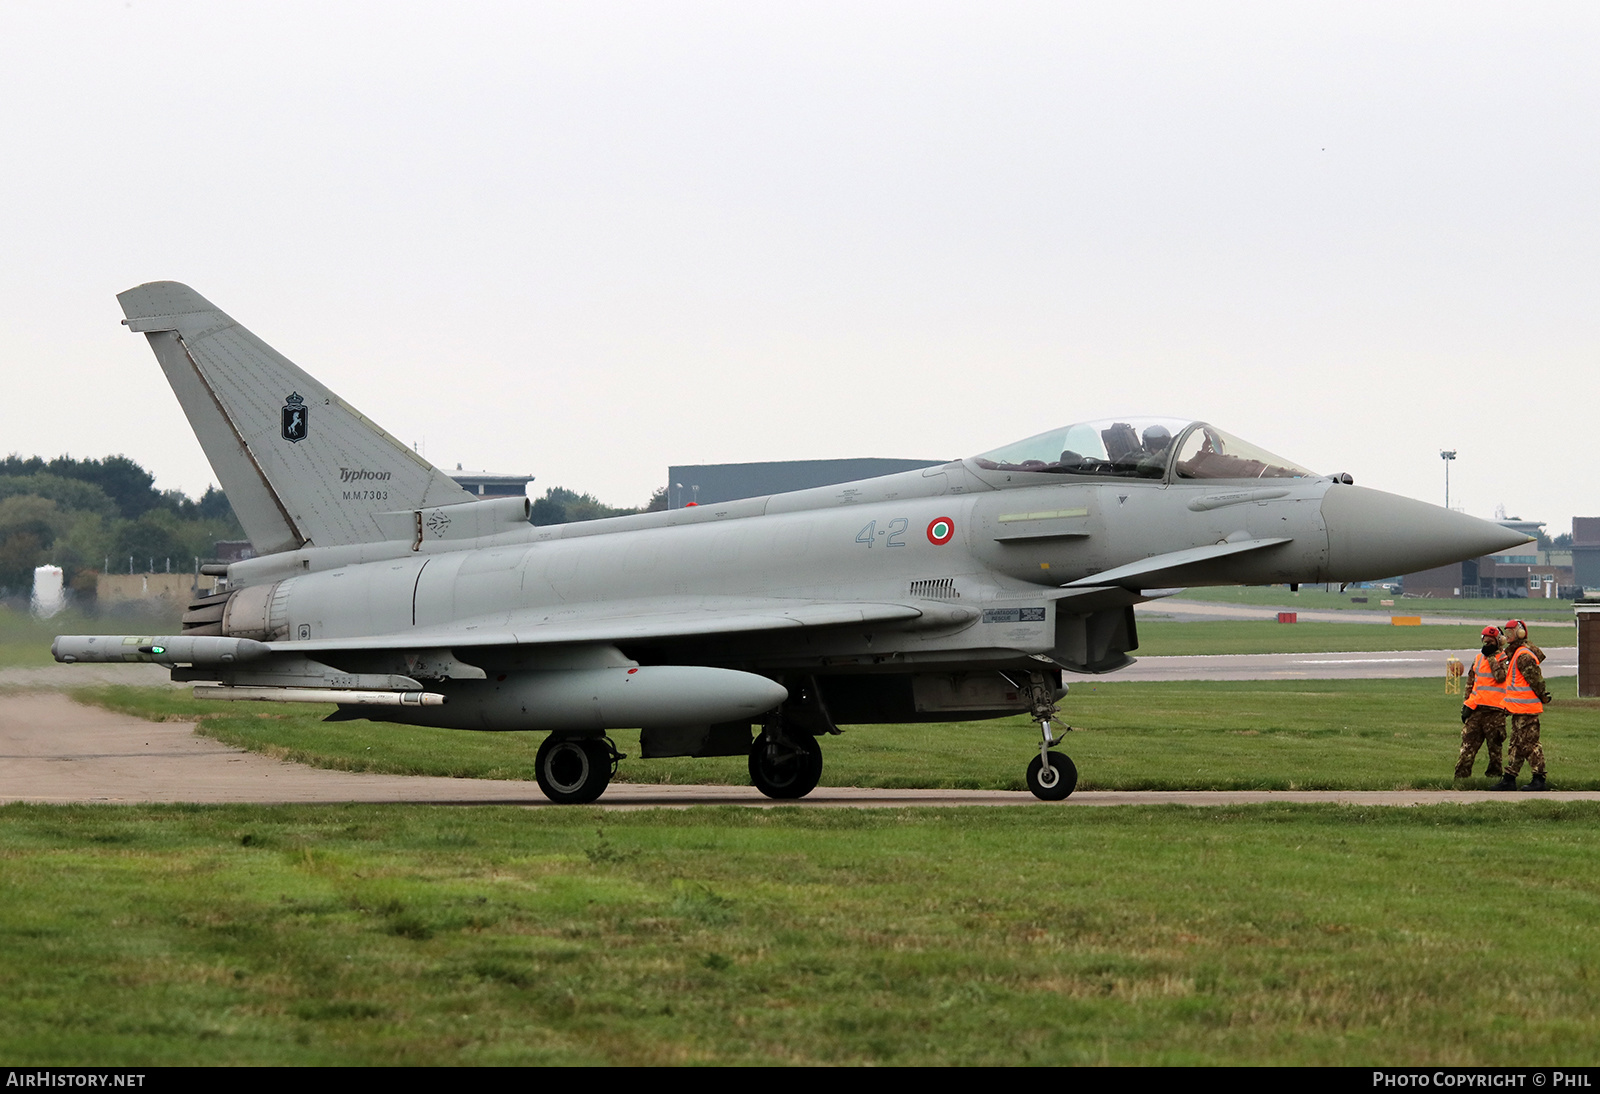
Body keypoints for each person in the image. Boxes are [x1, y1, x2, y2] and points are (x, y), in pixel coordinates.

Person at [1490, 618, 1554, 791]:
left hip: (1527, 708)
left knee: (1530, 744)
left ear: (1520, 633)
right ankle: (1509, 778)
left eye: (1511, 633)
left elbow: (1536, 680)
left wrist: (1542, 696)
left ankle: (1539, 779)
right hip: (1518, 708)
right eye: (1507, 633)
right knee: (1516, 744)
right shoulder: (1516, 653)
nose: (1508, 637)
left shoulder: (1523, 655)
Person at [1454, 626, 1508, 780]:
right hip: (1476, 710)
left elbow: (1500, 677)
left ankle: (1494, 779)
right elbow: (1471, 684)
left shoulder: (1504, 658)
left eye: (1491, 642)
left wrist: (1491, 657)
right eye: (1485, 642)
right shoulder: (1478, 659)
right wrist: (1466, 705)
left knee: (1495, 750)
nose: (1487, 645)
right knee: (1467, 748)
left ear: (1499, 642)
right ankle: (1461, 779)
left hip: (1495, 711)